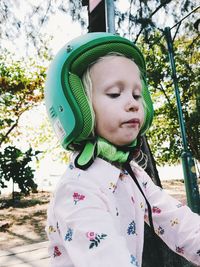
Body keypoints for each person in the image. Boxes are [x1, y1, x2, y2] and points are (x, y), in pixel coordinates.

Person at [44, 32, 200, 267]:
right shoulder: (77, 188)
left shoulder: (131, 174)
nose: (133, 103)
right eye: (115, 94)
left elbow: (177, 221)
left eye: (137, 95)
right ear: (78, 107)